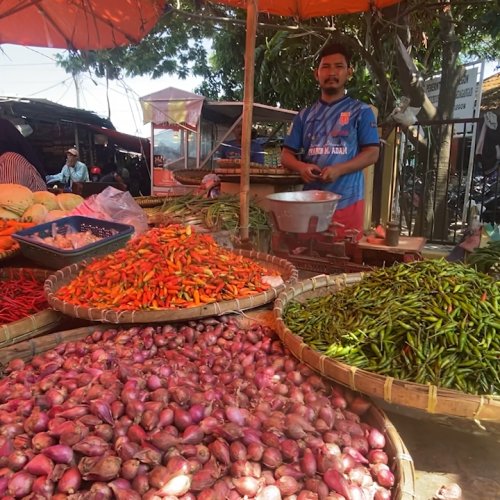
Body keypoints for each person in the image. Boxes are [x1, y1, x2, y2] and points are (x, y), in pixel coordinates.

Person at [281, 43, 380, 239]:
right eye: (325, 67)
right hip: (311, 205)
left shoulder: (361, 111)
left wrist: (339, 169)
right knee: (310, 257)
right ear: (316, 74)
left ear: (349, 72)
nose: (332, 72)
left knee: (344, 259)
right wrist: (301, 167)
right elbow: (286, 155)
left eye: (339, 66)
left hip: (348, 202)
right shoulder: (304, 116)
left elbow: (372, 153)